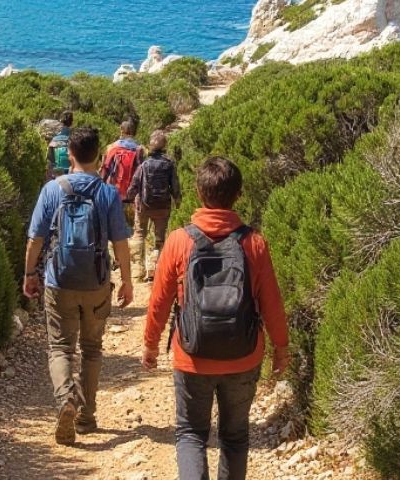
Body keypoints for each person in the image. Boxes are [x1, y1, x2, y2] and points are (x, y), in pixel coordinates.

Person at [141, 157, 290, 480]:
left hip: (192, 355)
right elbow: (272, 304)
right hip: (243, 356)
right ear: (239, 195)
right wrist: (281, 347)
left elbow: (160, 301)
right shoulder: (254, 243)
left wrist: (151, 345)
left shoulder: (180, 241)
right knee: (235, 436)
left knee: (191, 433)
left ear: (198, 192)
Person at [24, 125, 134, 445]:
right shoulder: (108, 193)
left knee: (60, 347)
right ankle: (86, 416)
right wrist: (126, 282)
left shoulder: (52, 189)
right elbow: (121, 244)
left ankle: (65, 402)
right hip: (97, 282)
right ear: (99, 156)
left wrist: (29, 274)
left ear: (69, 155)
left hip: (59, 280)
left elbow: (36, 239)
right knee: (92, 348)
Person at [126, 129, 182, 282]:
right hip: (162, 207)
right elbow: (175, 186)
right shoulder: (169, 164)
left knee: (139, 234)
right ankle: (153, 270)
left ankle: (137, 271)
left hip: (143, 205)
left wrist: (130, 198)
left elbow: (134, 185)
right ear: (165, 146)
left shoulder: (145, 164)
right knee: (159, 239)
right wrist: (178, 201)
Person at [101, 118, 145, 225]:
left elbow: (105, 167)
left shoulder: (111, 147)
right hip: (132, 189)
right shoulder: (140, 149)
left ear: (121, 131)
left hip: (114, 186)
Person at [46, 110, 74, 180]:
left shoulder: (54, 139)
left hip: (57, 175)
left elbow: (50, 160)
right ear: (72, 122)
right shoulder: (74, 140)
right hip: (71, 175)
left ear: (61, 121)